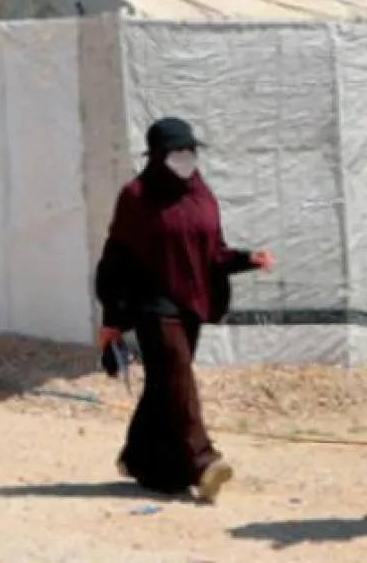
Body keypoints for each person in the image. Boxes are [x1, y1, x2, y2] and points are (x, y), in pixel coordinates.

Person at [94, 117, 274, 503]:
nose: (185, 159)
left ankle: (139, 457)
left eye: (189, 151)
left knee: (164, 384)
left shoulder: (201, 196)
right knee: (177, 376)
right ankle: (204, 461)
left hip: (191, 303)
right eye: (175, 152)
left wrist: (246, 259)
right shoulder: (136, 197)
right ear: (157, 156)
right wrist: (111, 319)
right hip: (151, 307)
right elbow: (116, 259)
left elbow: (213, 253)